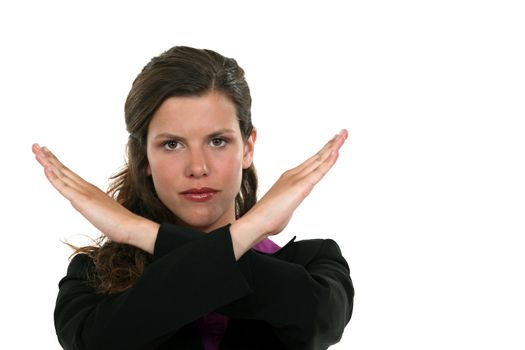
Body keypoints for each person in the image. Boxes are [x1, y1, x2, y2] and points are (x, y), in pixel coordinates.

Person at [32, 46, 354, 350]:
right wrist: (248, 230)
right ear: (143, 158)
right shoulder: (92, 274)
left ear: (248, 147)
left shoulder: (313, 264)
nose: (198, 168)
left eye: (217, 141)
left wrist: (143, 233)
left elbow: (315, 321)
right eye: (172, 144)